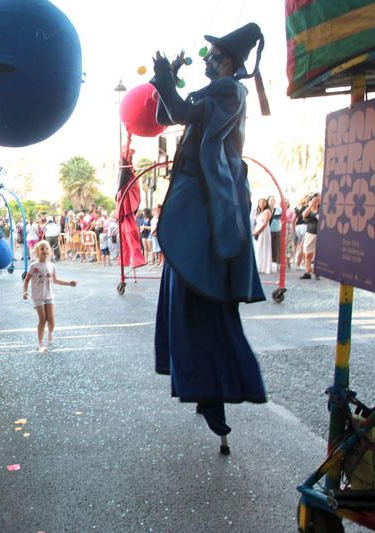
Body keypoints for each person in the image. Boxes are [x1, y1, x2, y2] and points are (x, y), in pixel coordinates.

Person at [151, 23, 268, 455]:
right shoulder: (215, 91)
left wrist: (169, 81)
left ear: (229, 62)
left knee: (204, 302)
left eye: (212, 55)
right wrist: (168, 80)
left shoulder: (229, 92)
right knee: (186, 299)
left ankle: (215, 390)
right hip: (194, 206)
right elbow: (169, 114)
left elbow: (180, 111)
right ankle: (205, 387)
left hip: (207, 208)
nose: (205, 60)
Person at [22, 240, 77, 352]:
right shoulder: (33, 266)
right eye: (42, 249)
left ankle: (50, 332)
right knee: (42, 320)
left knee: (51, 320)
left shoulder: (52, 266)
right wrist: (24, 291)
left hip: (49, 296)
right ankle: (40, 343)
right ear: (37, 251)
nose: (45, 250)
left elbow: (55, 280)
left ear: (50, 252)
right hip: (38, 297)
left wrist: (69, 283)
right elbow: (26, 280)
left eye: (47, 249)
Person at [300, 193, 320, 280]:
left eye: (317, 199)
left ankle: (317, 271)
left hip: (320, 234)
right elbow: (304, 215)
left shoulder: (321, 209)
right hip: (310, 233)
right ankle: (307, 272)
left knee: (318, 254)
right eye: (314, 199)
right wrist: (311, 204)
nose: (316, 201)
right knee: (307, 253)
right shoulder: (307, 209)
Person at [253, 198, 273, 274]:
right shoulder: (258, 212)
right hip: (258, 230)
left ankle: (264, 267)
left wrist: (258, 232)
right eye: (260, 202)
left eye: (263, 202)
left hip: (263, 232)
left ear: (266, 203)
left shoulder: (267, 211)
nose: (261, 203)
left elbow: (265, 224)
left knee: (263, 247)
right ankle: (259, 265)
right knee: (258, 248)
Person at [268, 195, 282, 267]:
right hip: (268, 230)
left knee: (277, 247)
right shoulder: (266, 210)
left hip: (277, 230)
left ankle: (276, 263)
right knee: (269, 246)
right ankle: (269, 263)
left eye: (274, 200)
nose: (273, 201)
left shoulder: (278, 209)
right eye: (271, 200)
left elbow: (282, 218)